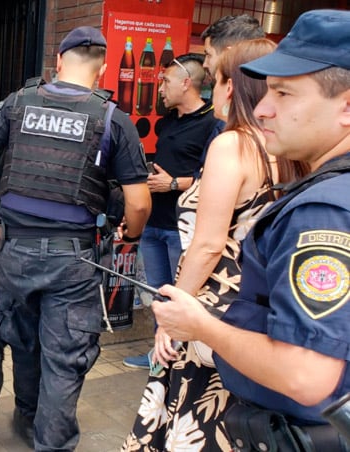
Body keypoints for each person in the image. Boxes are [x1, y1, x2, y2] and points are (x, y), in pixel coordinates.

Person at [152, 9, 350, 451]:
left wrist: (200, 325)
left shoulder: (323, 212)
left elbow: (307, 375)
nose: (263, 107)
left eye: (284, 93)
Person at [0, 26, 151, 451]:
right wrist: (128, 237)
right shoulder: (112, 119)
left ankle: (27, 418)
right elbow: (138, 203)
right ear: (101, 71)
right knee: (65, 357)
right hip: (74, 260)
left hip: (11, 251)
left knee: (23, 341)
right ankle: (52, 441)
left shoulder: (17, 104)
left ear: (58, 63)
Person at [122, 39, 307, 451]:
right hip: (253, 304)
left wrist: (173, 313)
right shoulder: (288, 152)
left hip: (210, 303)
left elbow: (207, 245)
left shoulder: (232, 144)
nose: (213, 91)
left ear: (234, 86)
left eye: (218, 80)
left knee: (190, 416)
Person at [123, 54, 221, 370]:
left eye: (165, 81)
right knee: (159, 298)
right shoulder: (168, 122)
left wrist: (174, 183)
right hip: (154, 224)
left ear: (186, 83)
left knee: (183, 297)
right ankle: (158, 356)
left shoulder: (213, 124)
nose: (160, 88)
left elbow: (214, 177)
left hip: (184, 228)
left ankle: (181, 361)